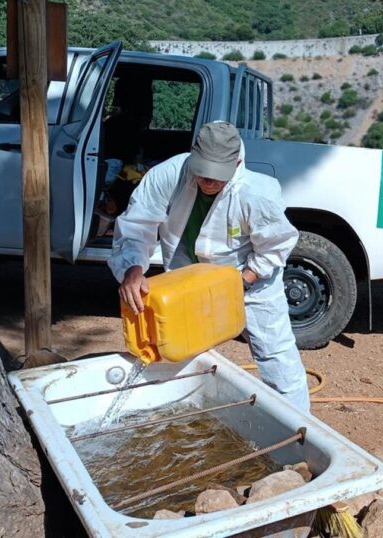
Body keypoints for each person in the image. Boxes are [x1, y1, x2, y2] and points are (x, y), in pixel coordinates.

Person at [108, 121, 310, 411]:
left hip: (249, 276)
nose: (209, 181)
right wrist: (133, 269)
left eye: (217, 176)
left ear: (236, 164)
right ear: (193, 156)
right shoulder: (168, 175)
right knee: (178, 344)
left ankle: (298, 423)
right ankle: (180, 408)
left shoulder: (257, 193)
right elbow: (137, 225)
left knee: (275, 354)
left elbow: (275, 245)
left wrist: (244, 279)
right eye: (202, 172)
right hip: (188, 276)